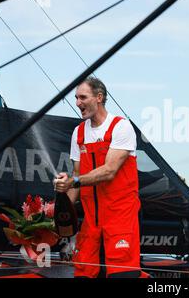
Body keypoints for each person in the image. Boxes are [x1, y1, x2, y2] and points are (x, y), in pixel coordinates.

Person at [54, 77, 141, 278]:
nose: (77, 103)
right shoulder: (79, 133)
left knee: (122, 273)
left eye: (83, 97)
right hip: (91, 221)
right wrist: (60, 206)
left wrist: (74, 181)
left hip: (120, 217)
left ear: (99, 97)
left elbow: (109, 171)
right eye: (76, 98)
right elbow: (76, 177)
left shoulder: (121, 127)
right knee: (83, 272)